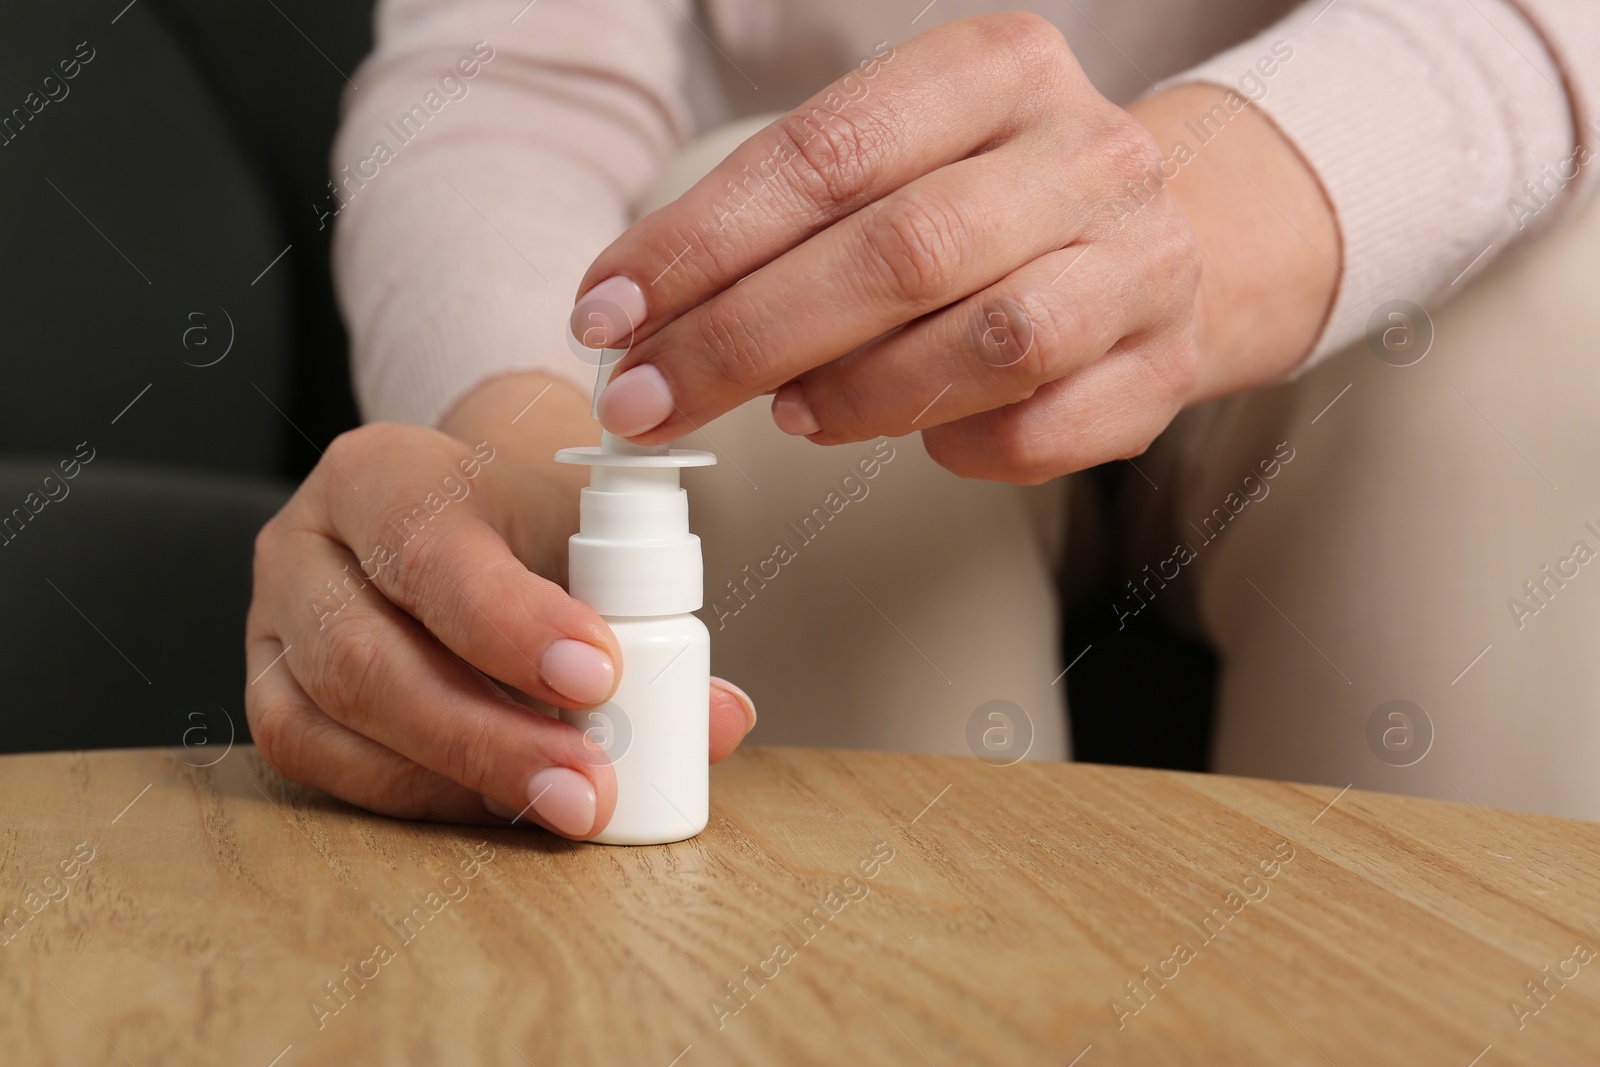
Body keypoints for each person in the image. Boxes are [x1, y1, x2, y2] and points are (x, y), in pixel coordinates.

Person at [245, 0, 1600, 838]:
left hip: (1354, 263)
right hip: (823, 357)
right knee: (772, 295)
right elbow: (506, 76)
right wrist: (527, 455)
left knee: (1530, 343)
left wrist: (1183, 212)